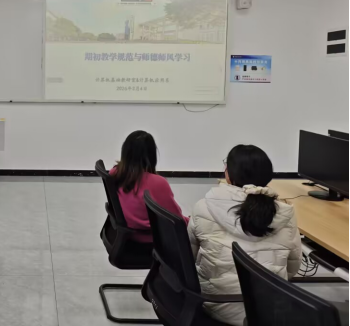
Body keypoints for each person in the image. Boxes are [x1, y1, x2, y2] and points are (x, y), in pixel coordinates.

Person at [188, 145, 302, 326]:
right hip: (269, 311)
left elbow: (190, 257)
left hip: (216, 304)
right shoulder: (286, 213)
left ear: (228, 174)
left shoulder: (203, 207)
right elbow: (293, 267)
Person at [110, 131, 189, 243]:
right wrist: (191, 221)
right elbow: (177, 221)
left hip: (127, 235)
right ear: (151, 155)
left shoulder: (115, 173)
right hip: (150, 239)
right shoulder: (157, 182)